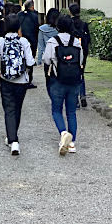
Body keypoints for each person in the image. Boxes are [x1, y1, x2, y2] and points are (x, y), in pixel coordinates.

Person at [0, 14, 35, 156]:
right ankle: (13, 136)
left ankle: (13, 140)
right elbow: (31, 62)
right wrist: (24, 72)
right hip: (21, 81)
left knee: (9, 109)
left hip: (6, 80)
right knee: (18, 108)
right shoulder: (24, 41)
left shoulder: (1, 41)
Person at [42, 13, 84, 156]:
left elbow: (46, 60)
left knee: (56, 110)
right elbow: (81, 61)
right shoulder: (76, 42)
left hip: (57, 80)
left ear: (58, 26)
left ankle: (63, 133)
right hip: (74, 80)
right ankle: (71, 143)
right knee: (71, 112)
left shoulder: (53, 41)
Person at [69, 2, 90, 107]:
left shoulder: (69, 23)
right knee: (81, 74)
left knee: (72, 75)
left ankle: (75, 100)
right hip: (83, 51)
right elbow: (89, 39)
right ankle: (83, 95)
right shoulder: (84, 24)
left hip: (72, 52)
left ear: (70, 12)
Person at [37, 7, 60, 93]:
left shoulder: (42, 29)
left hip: (48, 58)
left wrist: (39, 60)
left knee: (49, 78)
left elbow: (40, 46)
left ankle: (53, 97)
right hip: (60, 57)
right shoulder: (60, 29)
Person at [18, 0, 40, 87]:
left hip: (21, 40)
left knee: (21, 59)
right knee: (30, 60)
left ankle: (21, 78)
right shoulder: (34, 16)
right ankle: (29, 79)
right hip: (32, 40)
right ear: (32, 6)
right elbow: (36, 28)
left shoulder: (19, 15)